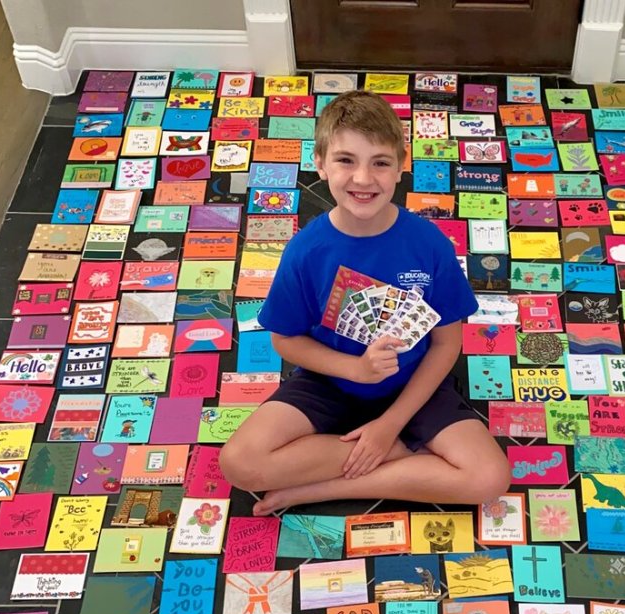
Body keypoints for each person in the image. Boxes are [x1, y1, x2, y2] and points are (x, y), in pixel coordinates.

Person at [219, 90, 511, 515]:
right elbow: (286, 341)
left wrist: (388, 425)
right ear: (319, 164)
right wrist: (355, 369)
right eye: (345, 160)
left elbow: (448, 344)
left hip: (413, 387)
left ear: (401, 166)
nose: (363, 178)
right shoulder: (305, 251)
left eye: (380, 162)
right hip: (330, 382)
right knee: (239, 463)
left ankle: (322, 488)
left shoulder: (429, 244)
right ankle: (398, 456)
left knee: (490, 478)